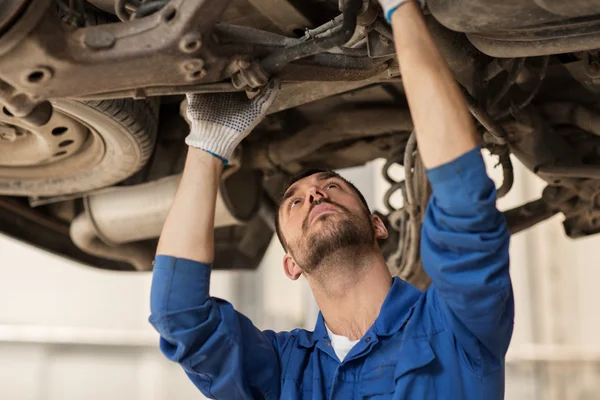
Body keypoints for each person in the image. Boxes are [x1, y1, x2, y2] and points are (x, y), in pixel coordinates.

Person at [149, 0, 514, 398]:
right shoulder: (282, 367)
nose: (314, 194)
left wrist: (401, 9)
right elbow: (181, 318)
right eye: (294, 201)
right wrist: (206, 145)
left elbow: (465, 202)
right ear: (291, 265)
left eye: (331, 186)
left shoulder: (455, 328)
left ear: (377, 224)